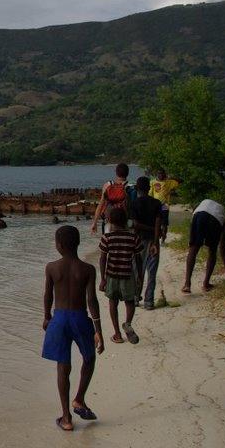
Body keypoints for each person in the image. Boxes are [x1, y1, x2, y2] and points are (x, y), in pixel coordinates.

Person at [42, 225, 104, 431]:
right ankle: (79, 399)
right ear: (77, 243)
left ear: (58, 245)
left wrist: (46, 316)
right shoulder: (87, 269)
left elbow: (48, 295)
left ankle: (66, 418)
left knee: (63, 367)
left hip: (59, 319)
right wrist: (98, 330)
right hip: (79, 318)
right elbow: (91, 300)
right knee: (89, 358)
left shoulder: (51, 267)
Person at [99, 207, 143, 344]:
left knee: (113, 303)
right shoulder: (133, 237)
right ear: (126, 221)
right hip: (127, 275)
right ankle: (128, 323)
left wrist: (102, 279)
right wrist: (140, 277)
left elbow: (102, 259)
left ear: (110, 221)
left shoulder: (107, 237)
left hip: (112, 275)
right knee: (130, 301)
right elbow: (138, 259)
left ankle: (117, 334)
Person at [183, 198, 225, 293]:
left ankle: (187, 284)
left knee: (193, 248)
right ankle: (206, 284)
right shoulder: (223, 216)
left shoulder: (201, 205)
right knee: (212, 250)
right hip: (216, 220)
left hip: (199, 216)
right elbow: (222, 246)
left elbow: (194, 217)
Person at [130, 176, 164, 309]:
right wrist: (156, 241)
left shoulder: (134, 204)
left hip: (138, 241)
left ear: (137, 189)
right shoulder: (156, 203)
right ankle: (149, 301)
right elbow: (158, 223)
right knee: (152, 272)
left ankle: (135, 298)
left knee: (137, 271)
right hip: (153, 239)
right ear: (149, 188)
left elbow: (135, 224)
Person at [90, 163, 131, 235]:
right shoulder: (129, 186)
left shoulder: (107, 185)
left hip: (108, 221)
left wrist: (94, 223)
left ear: (116, 172)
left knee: (108, 242)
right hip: (124, 222)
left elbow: (101, 205)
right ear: (127, 173)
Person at [149, 170, 179, 244]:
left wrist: (171, 177)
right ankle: (156, 237)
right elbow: (150, 194)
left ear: (165, 174)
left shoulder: (169, 182)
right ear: (157, 174)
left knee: (165, 223)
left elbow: (180, 181)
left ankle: (163, 239)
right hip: (155, 205)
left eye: (163, 174)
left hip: (165, 205)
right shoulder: (152, 182)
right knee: (155, 222)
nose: (161, 175)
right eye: (159, 173)